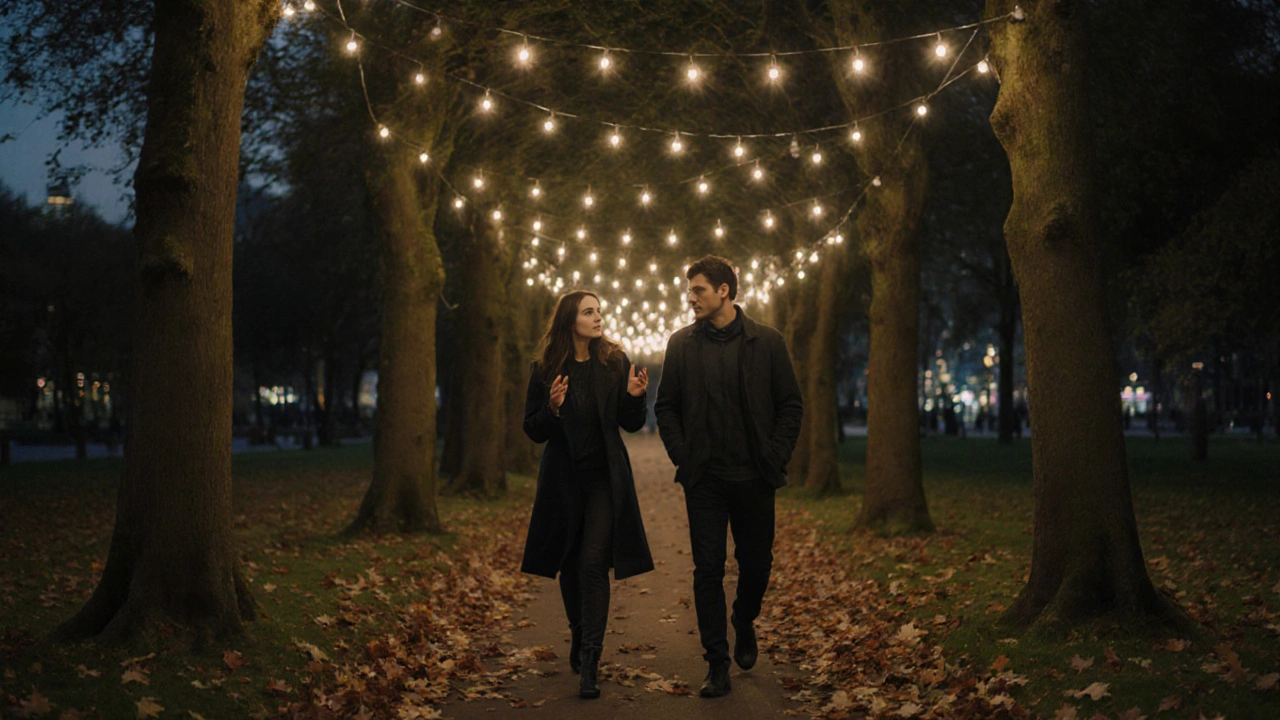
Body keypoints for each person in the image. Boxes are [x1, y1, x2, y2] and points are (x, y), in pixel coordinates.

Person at [654, 256, 803, 698]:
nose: (690, 297)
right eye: (689, 289)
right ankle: (716, 664)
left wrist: (774, 457)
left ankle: (743, 618)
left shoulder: (768, 342)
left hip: (755, 477)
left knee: (757, 565)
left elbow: (790, 405)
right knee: (707, 570)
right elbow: (666, 407)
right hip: (705, 480)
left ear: (724, 290)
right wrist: (684, 456)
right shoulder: (681, 344)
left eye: (698, 289)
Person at [520, 290, 654, 700]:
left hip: (603, 480)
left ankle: (592, 659)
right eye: (589, 311)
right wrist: (553, 408)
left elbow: (629, 424)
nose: (598, 318)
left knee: (594, 563)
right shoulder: (545, 370)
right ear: (570, 319)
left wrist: (635, 397)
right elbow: (533, 428)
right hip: (563, 481)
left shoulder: (615, 363)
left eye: (599, 311)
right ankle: (579, 633)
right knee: (570, 562)